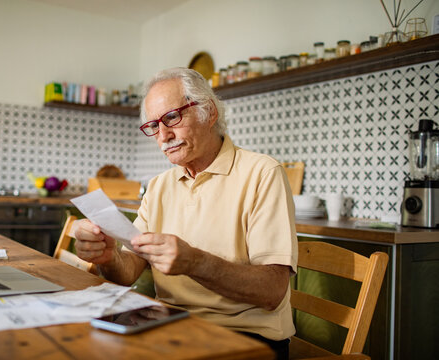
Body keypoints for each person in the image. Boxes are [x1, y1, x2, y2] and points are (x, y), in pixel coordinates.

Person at [74, 67, 298, 359]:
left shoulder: (262, 173)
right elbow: (127, 271)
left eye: (172, 118)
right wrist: (109, 257)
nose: (164, 135)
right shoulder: (159, 186)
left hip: (245, 338)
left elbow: (272, 291)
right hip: (167, 324)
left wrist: (195, 262)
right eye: (154, 125)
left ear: (209, 112)